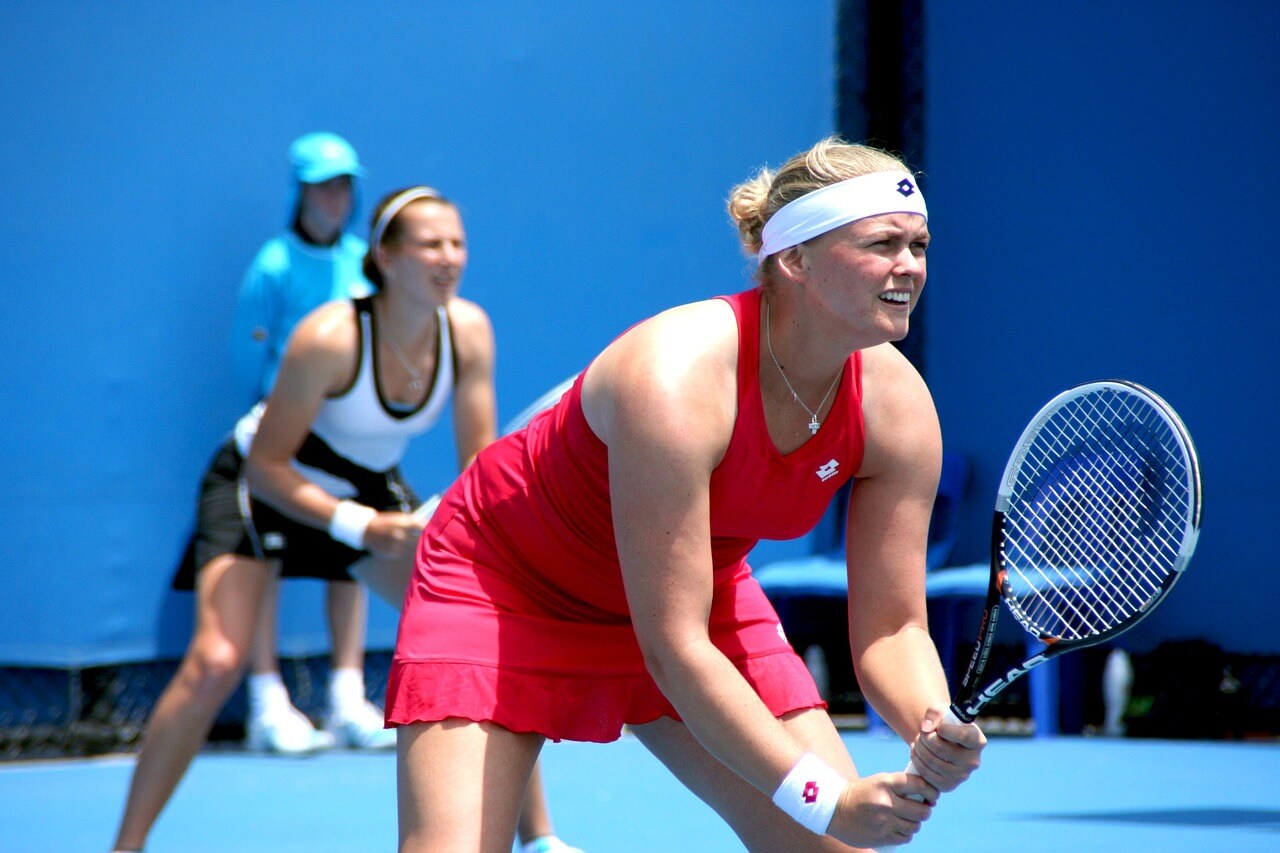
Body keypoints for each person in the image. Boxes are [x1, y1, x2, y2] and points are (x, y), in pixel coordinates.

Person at [387, 137, 988, 852]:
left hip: (693, 595)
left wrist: (930, 720)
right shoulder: (673, 377)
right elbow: (673, 647)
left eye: (918, 244)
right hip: (507, 584)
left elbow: (893, 629)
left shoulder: (899, 409)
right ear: (793, 260)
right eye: (882, 243)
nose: (909, 267)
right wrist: (824, 797)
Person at [114, 187, 579, 853]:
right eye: (429, 244)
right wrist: (359, 527)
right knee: (216, 660)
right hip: (266, 482)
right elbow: (266, 467)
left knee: (480, 631)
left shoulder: (469, 331)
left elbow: (481, 465)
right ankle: (124, 846)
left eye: (457, 243)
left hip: (365, 489)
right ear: (385, 258)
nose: (448, 258)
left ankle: (540, 839)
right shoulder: (328, 337)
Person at [227, 130, 387, 753]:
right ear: (300, 191)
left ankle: (348, 698)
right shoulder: (272, 264)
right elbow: (249, 355)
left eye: (344, 184)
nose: (336, 198)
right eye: (323, 186)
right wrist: (274, 416)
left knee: (351, 554)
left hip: (347, 438)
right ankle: (268, 704)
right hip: (283, 435)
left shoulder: (362, 263)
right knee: (266, 559)